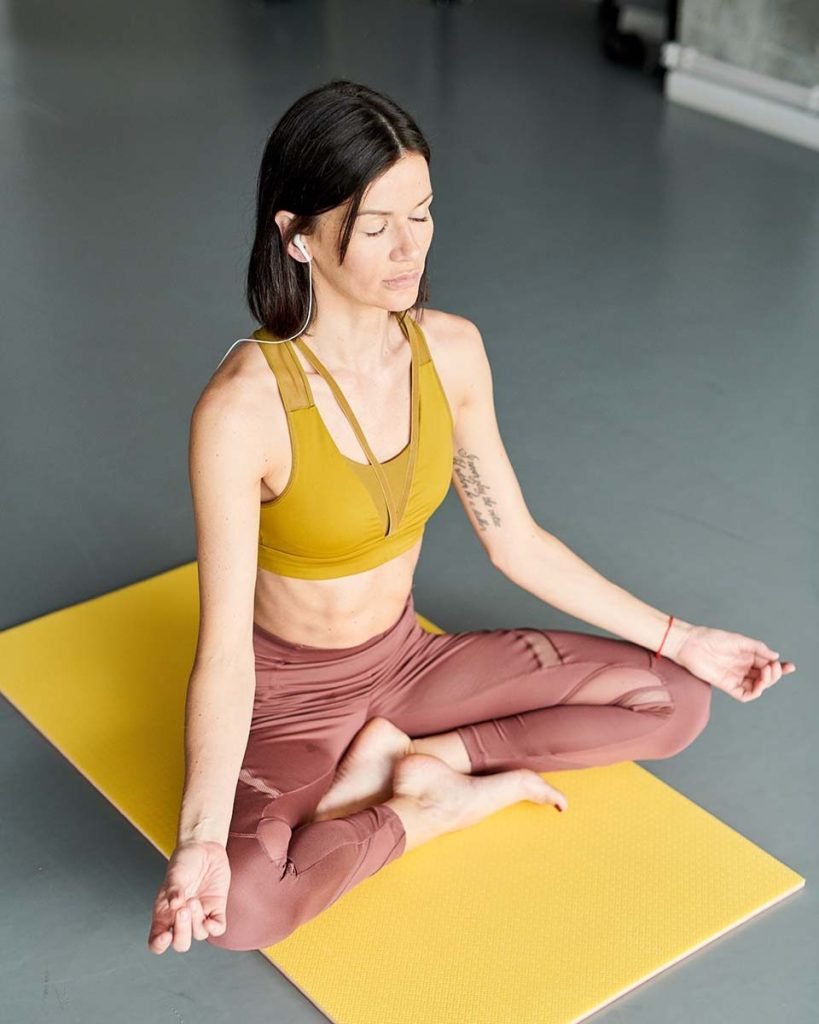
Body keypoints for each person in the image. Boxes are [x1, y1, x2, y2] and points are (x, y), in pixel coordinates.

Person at [147, 79, 795, 955]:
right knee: (241, 913)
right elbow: (223, 649)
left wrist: (684, 638)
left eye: (422, 212)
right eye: (374, 226)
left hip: (407, 666)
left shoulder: (448, 351)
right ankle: (426, 811)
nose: (408, 247)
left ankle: (432, 763)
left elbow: (514, 540)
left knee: (672, 702)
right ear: (295, 236)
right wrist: (197, 841)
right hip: (292, 700)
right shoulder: (240, 410)